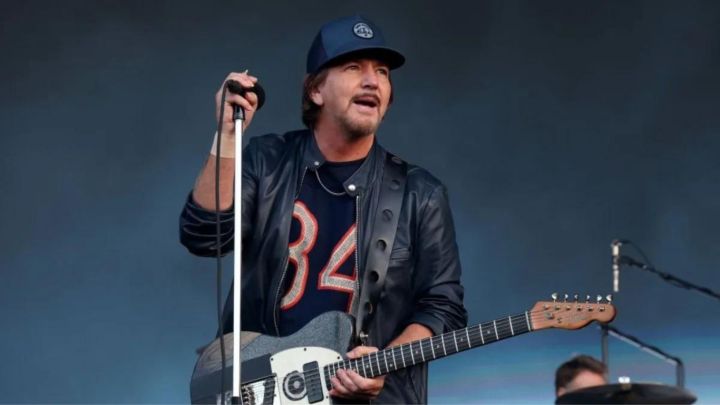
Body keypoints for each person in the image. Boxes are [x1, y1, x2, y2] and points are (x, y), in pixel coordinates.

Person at [179, 15, 467, 403]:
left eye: (382, 72)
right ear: (316, 90)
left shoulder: (421, 193)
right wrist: (227, 136)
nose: (373, 81)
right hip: (262, 392)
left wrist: (382, 364)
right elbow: (203, 236)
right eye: (354, 67)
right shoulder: (267, 161)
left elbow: (443, 306)